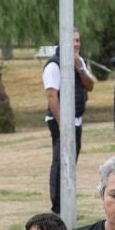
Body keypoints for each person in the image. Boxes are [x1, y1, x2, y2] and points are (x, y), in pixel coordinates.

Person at [42, 31, 97, 212]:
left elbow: (90, 85)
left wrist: (80, 67)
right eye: (72, 40)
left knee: (71, 161)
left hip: (77, 120)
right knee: (61, 161)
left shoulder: (80, 61)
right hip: (60, 123)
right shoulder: (54, 65)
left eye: (78, 40)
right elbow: (51, 96)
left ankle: (68, 203)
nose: (76, 44)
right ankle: (58, 207)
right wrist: (63, 125)